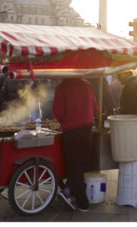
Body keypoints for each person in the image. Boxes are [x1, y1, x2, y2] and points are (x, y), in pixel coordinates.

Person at [52, 78, 96, 213]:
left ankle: (83, 203)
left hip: (71, 132)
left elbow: (58, 112)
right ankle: (67, 190)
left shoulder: (62, 87)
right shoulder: (87, 84)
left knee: (74, 168)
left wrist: (63, 120)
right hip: (87, 131)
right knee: (80, 165)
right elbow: (95, 107)